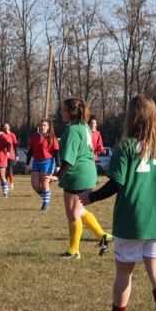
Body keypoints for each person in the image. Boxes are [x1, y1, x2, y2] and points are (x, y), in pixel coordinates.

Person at [79, 95, 156, 311]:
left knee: (123, 272)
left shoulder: (127, 147)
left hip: (131, 220)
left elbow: (116, 183)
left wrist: (92, 197)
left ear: (132, 117)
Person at [56, 98, 112, 259]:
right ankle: (103, 236)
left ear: (70, 112)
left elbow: (68, 158)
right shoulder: (85, 127)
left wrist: (57, 175)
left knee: (73, 213)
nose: (62, 112)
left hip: (77, 174)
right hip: (88, 171)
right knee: (79, 210)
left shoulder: (73, 130)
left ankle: (74, 251)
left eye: (64, 110)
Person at [26, 119, 60, 211]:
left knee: (45, 183)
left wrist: (58, 165)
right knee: (35, 184)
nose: (42, 127)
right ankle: (46, 196)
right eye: (41, 125)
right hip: (36, 161)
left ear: (48, 127)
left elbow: (56, 152)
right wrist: (27, 163)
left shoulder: (52, 137)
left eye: (44, 125)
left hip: (47, 162)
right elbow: (30, 151)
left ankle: (45, 204)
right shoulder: (35, 136)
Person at [2, 123, 18, 190]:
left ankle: (11, 183)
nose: (6, 128)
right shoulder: (2, 135)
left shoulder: (12, 135)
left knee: (10, 169)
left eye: (7, 127)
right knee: (5, 170)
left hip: (11, 155)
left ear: (9, 127)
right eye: (5, 127)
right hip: (3, 155)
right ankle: (6, 184)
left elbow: (15, 145)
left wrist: (16, 155)